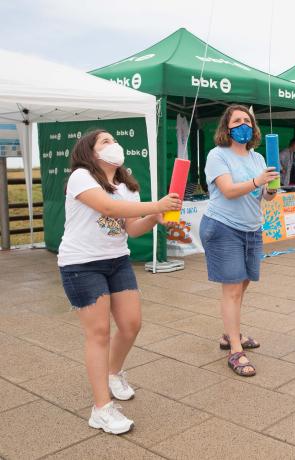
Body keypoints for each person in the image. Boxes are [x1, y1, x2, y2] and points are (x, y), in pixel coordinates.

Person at [58, 130, 182, 434]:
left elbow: (132, 229)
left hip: (117, 261)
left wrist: (156, 217)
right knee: (99, 333)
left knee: (131, 324)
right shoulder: (81, 177)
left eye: (114, 140)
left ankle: (113, 374)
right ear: (90, 151)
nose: (113, 145)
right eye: (105, 142)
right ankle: (101, 409)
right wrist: (158, 205)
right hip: (81, 264)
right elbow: (109, 209)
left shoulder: (127, 186)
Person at [200, 104, 280, 377]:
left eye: (247, 120)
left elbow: (265, 196)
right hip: (223, 227)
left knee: (242, 284)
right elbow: (229, 190)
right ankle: (235, 349)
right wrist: (258, 181)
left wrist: (271, 189)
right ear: (227, 127)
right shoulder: (217, 155)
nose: (243, 125)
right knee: (232, 289)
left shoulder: (257, 158)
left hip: (251, 228)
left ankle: (229, 333)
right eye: (237, 121)